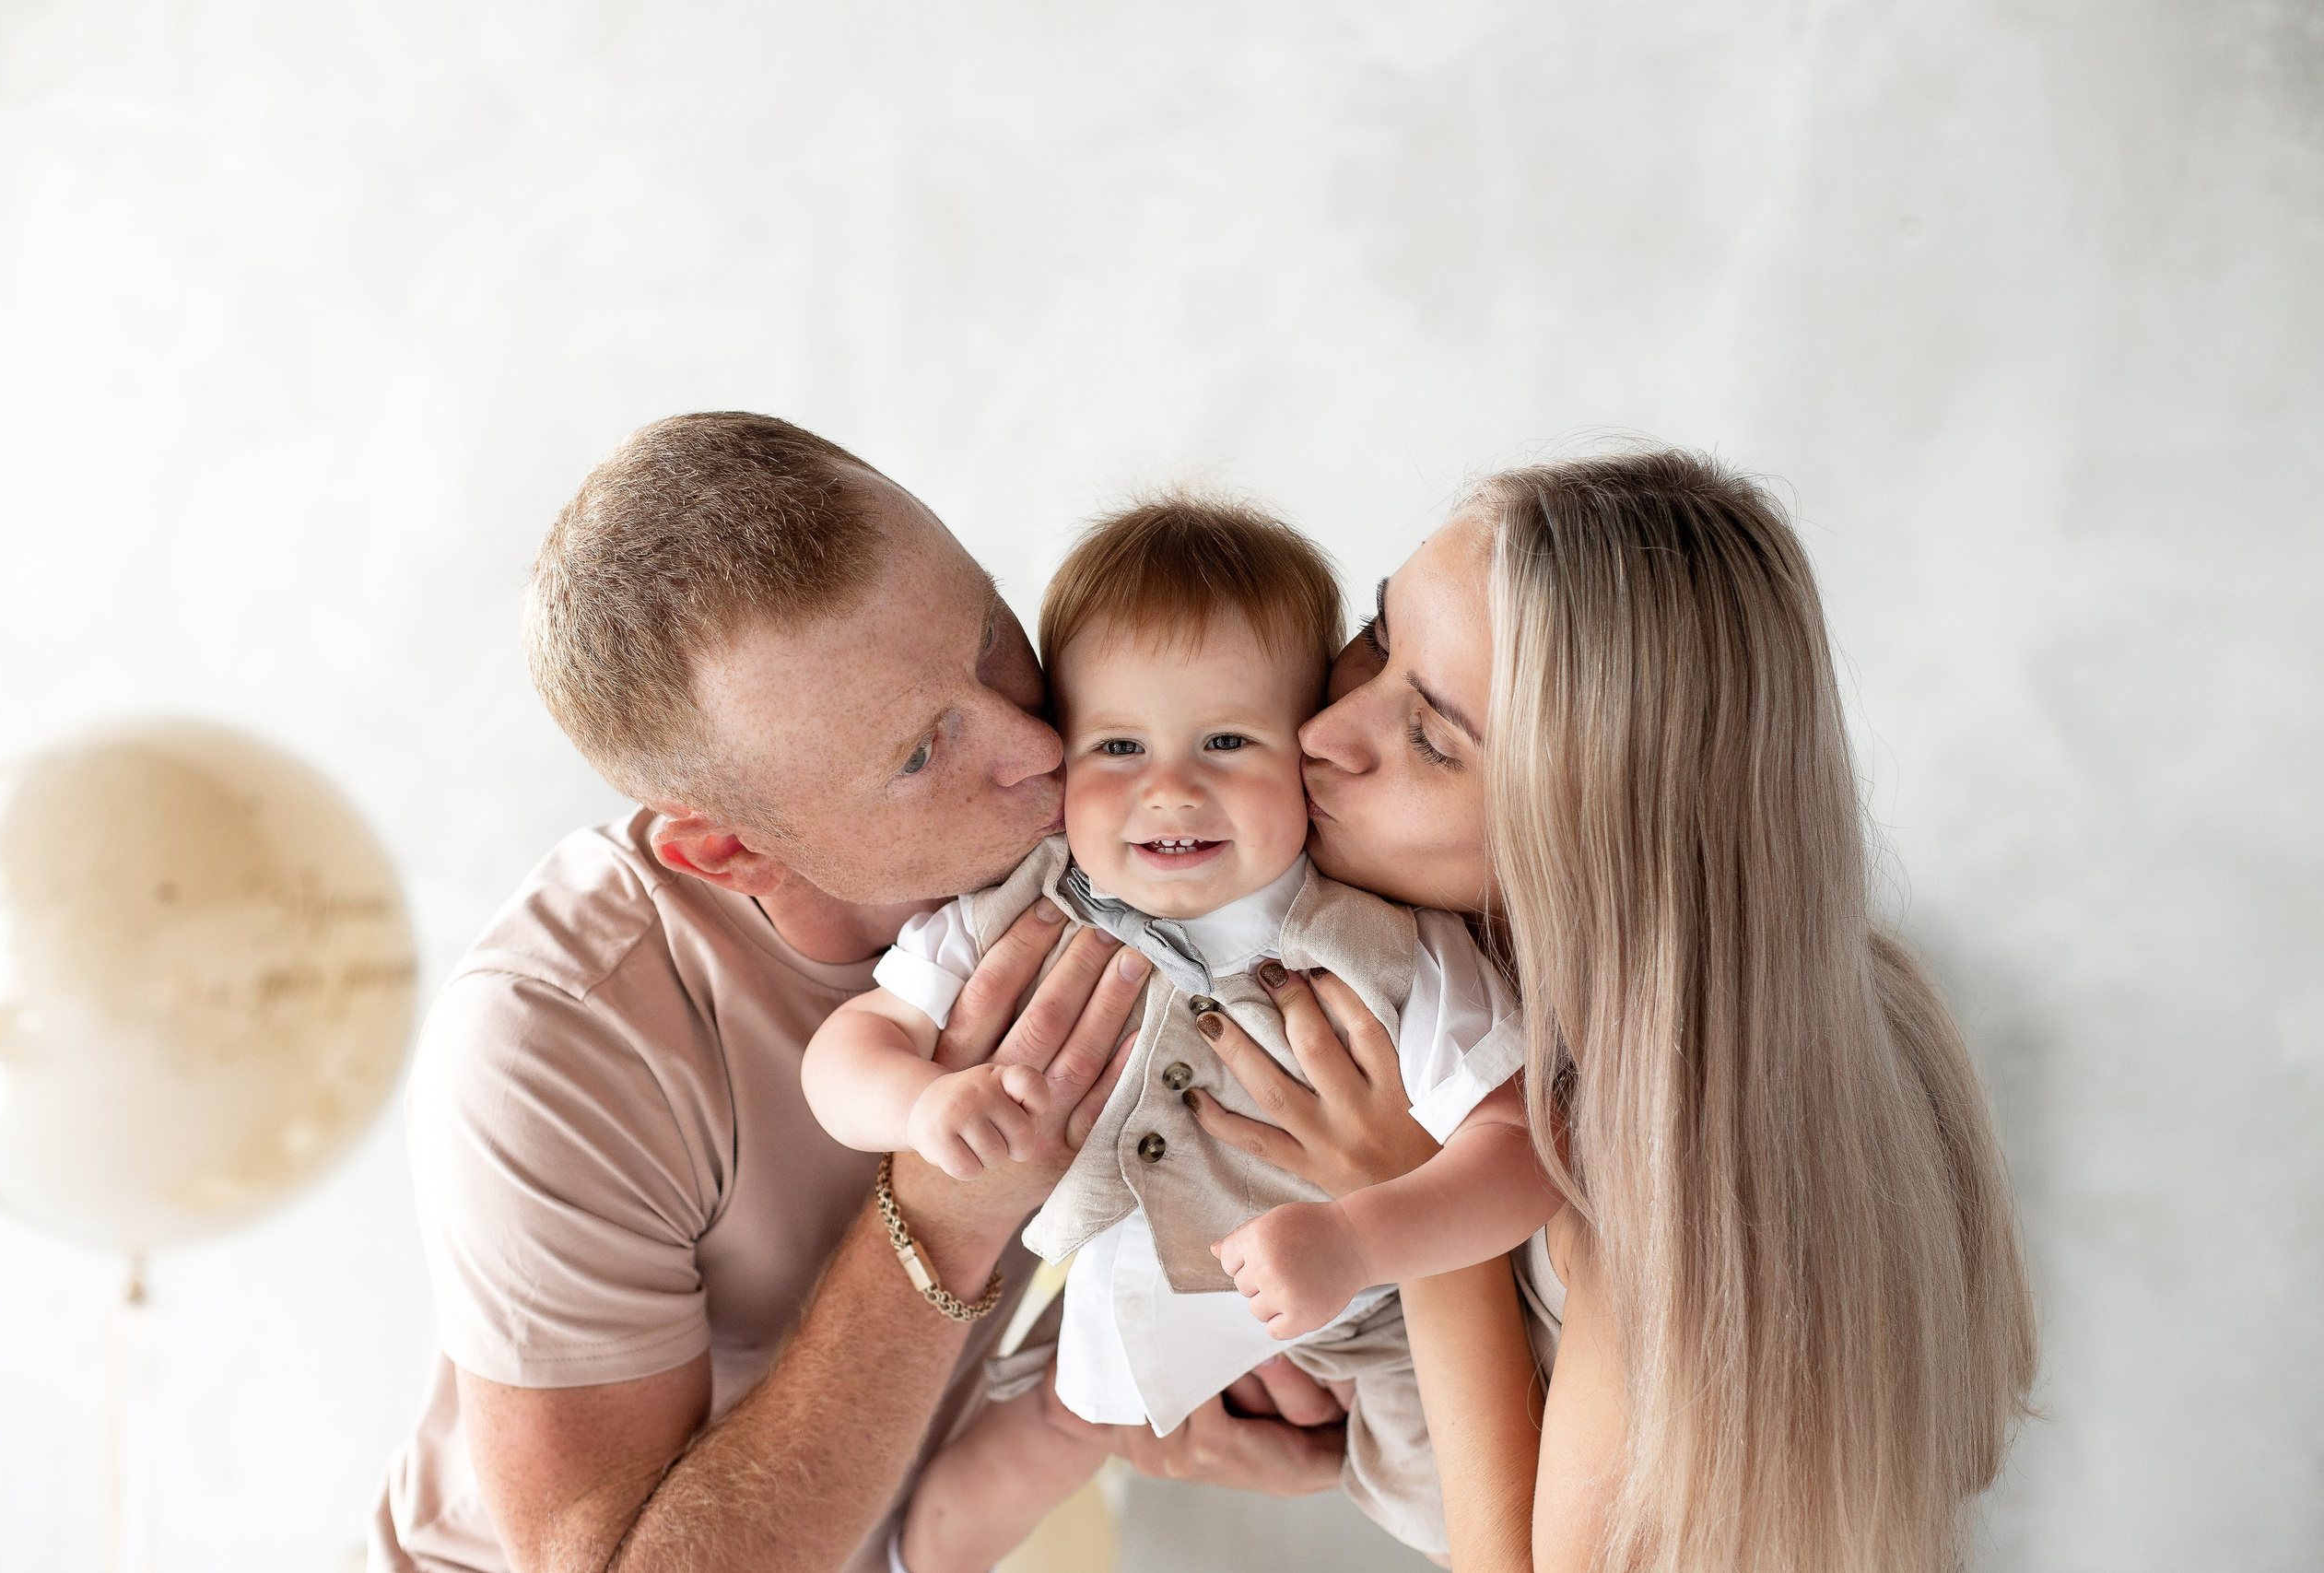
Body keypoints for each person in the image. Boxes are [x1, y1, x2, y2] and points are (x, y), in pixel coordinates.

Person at [369, 414, 1356, 1573]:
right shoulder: (554, 1038)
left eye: (989, 636)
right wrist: (943, 1215)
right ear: (731, 852)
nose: (1036, 747)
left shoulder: (1145, 823)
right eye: (917, 755)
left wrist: (1138, 1382)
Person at [1179, 450, 2041, 1572]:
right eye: (1378, 636)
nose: (1326, 732)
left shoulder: (1668, 1168)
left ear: (1593, 851)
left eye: (1435, 741)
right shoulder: (1831, 991)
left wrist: (1405, 1213)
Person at [800, 498, 1557, 1567]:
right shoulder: (1026, 899)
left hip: (1361, 1314)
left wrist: (1359, 1241)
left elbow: (1518, 1152)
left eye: (1226, 741)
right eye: (1117, 744)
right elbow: (850, 1046)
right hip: (1112, 1299)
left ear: (1304, 748)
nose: (1168, 787)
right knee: (955, 1508)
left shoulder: (1387, 951)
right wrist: (919, 1102)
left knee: (1463, 1523)